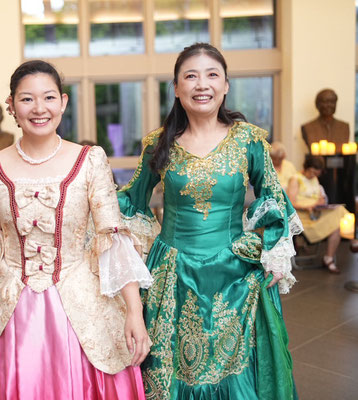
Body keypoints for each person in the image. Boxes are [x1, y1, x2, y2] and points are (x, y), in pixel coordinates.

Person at [0, 60, 153, 399]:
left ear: (63, 102)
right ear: (12, 105)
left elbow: (112, 237)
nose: (39, 108)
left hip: (80, 303)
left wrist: (134, 311)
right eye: (27, 99)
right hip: (7, 305)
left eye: (49, 97)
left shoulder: (90, 160)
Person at [118, 43, 301, 399]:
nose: (202, 84)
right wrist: (89, 193)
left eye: (212, 75)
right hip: (172, 274)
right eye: (191, 76)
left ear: (226, 85)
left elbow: (272, 196)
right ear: (176, 88)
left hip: (236, 276)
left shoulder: (248, 139)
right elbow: (131, 201)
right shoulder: (158, 143)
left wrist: (277, 249)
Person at [287, 155, 348, 274]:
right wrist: (308, 206)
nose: (314, 175)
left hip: (316, 214)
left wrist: (321, 201)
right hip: (302, 218)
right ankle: (350, 242)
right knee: (336, 223)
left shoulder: (314, 179)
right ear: (307, 168)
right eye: (313, 172)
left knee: (337, 221)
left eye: (317, 173)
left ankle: (329, 258)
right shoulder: (296, 179)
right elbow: (291, 203)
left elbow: (320, 196)